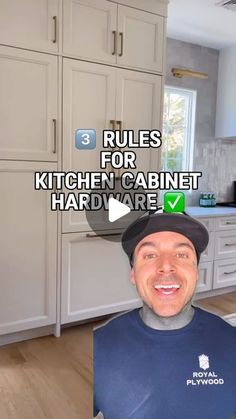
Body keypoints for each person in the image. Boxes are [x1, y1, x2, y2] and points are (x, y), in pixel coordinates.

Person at [93, 210, 236, 419]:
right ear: (133, 273)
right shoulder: (99, 346)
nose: (166, 266)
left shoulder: (231, 343)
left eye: (181, 255)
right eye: (150, 255)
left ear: (196, 272)